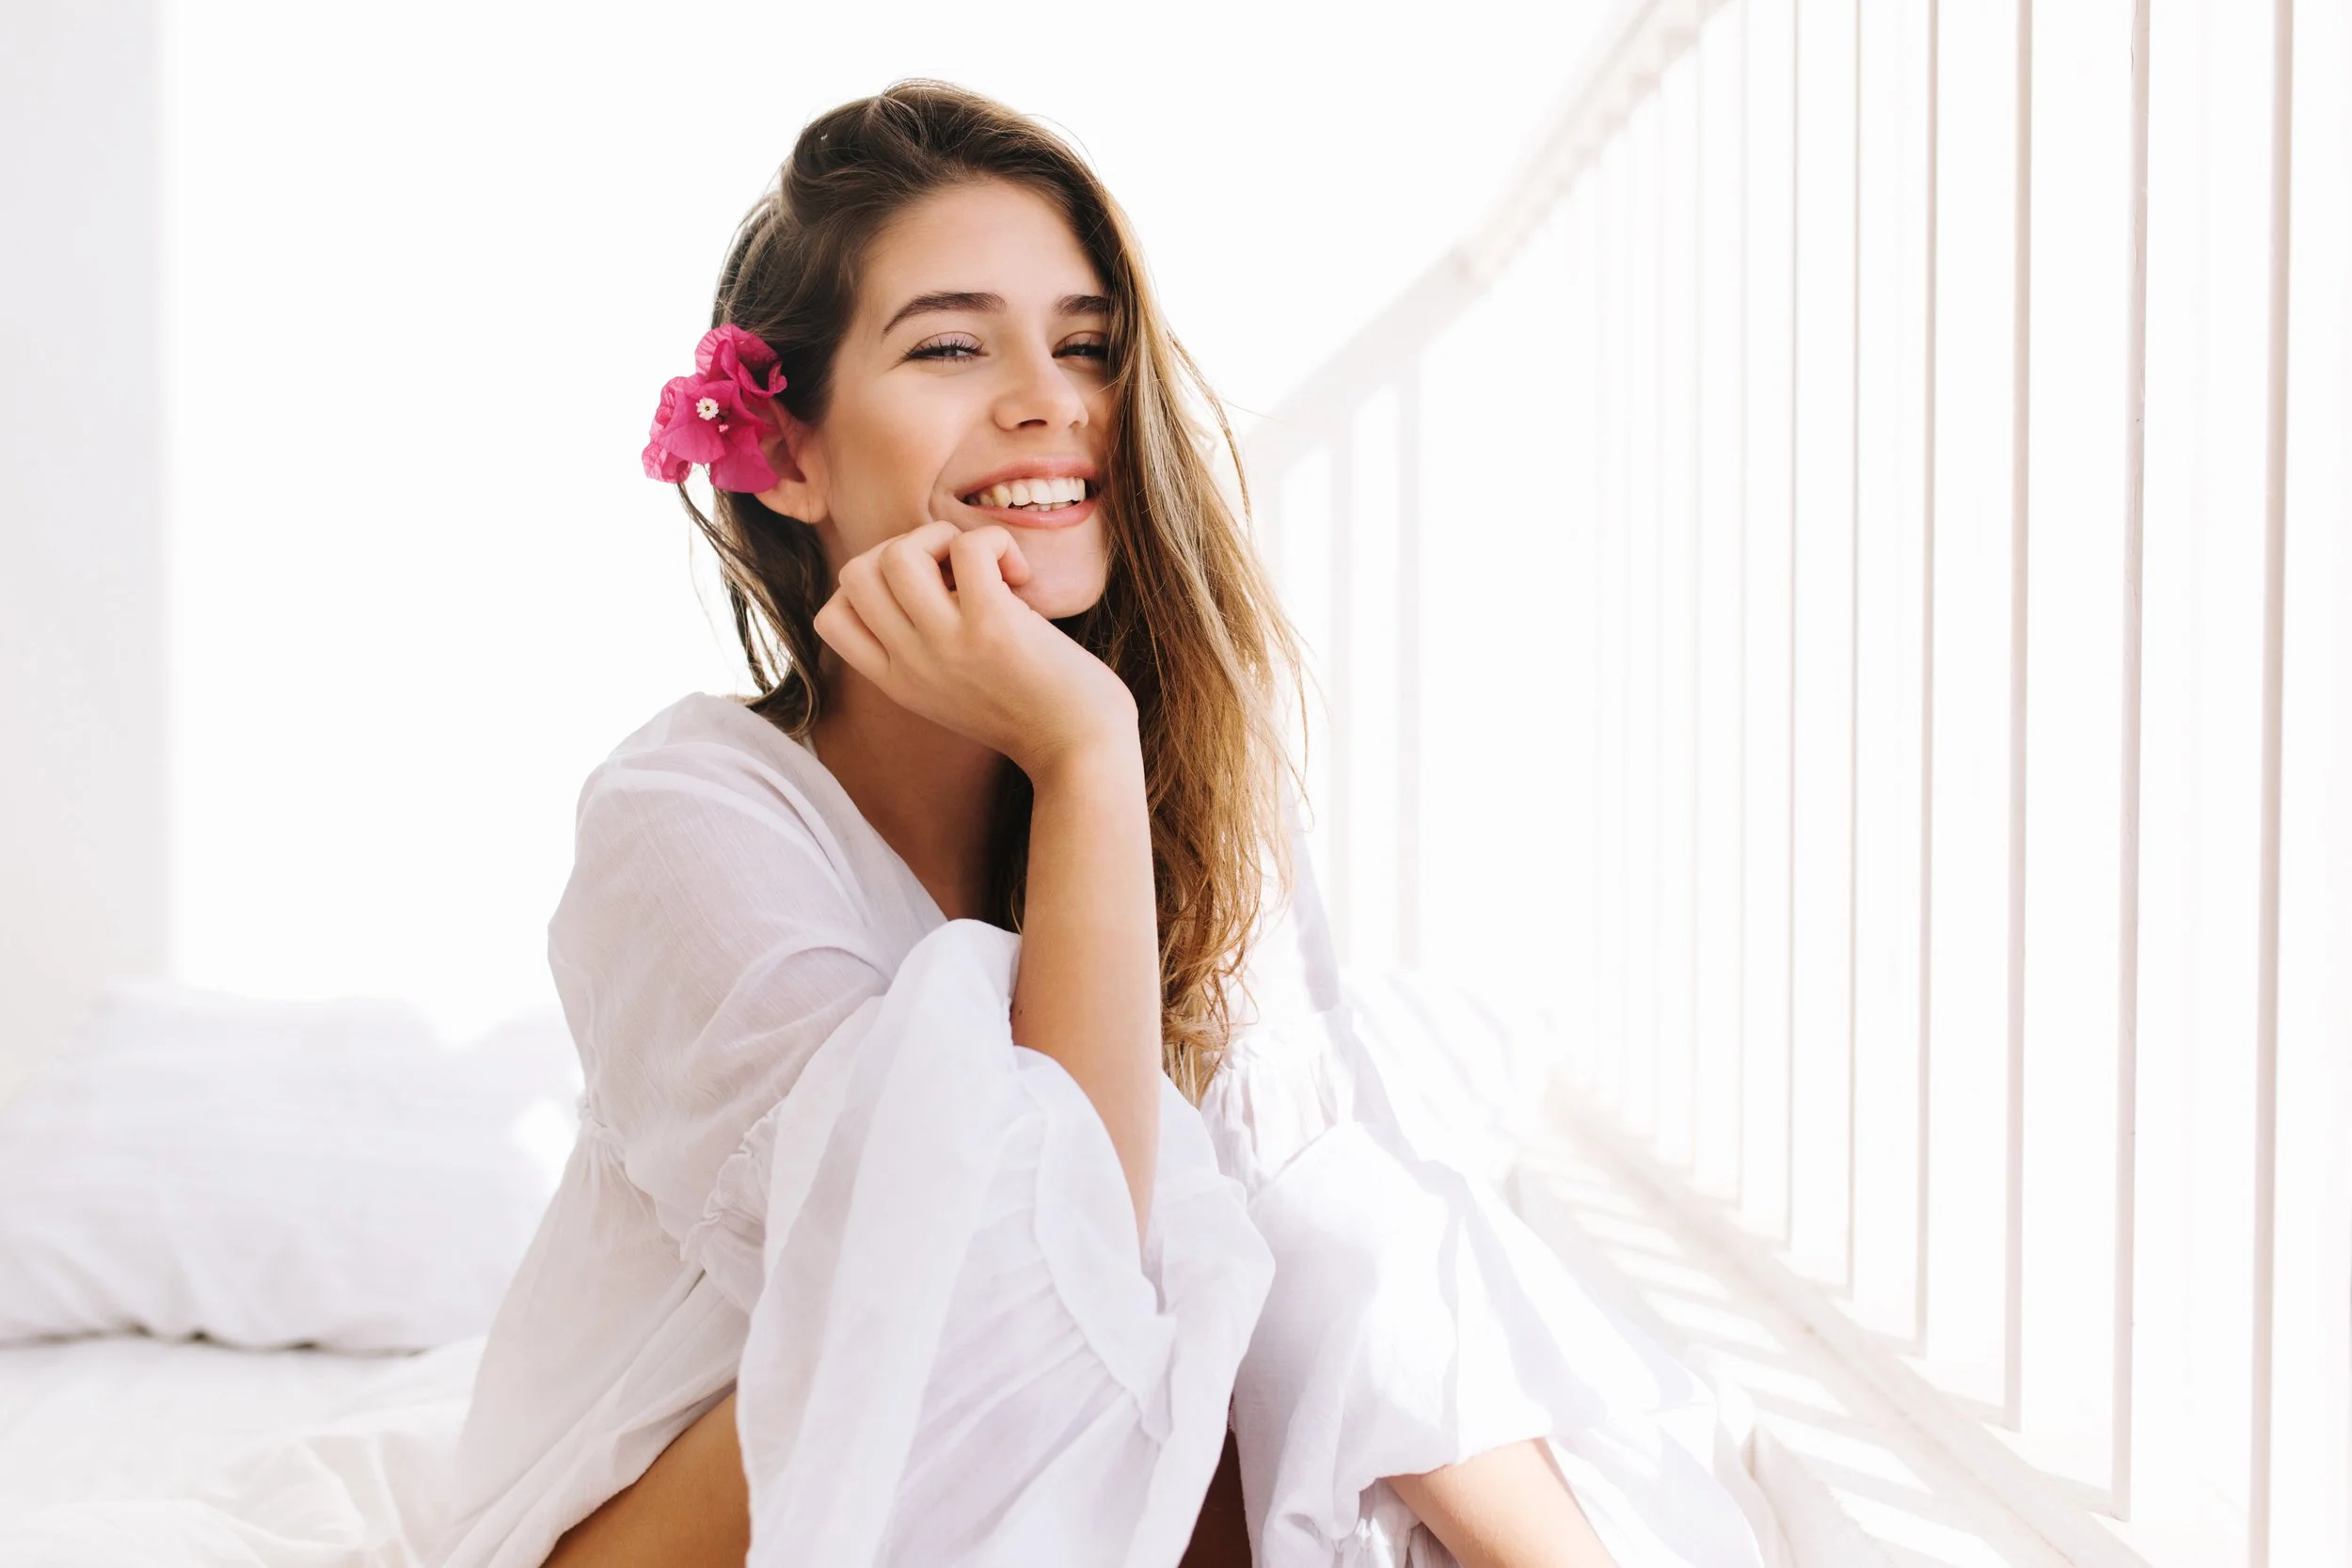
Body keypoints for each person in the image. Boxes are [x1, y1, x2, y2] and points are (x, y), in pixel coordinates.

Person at [432, 80, 1774, 1568]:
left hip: (1037, 1483)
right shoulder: (681, 824)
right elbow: (998, 1308)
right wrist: (1079, 750)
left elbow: (1334, 1250)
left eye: (1086, 344)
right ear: (790, 452)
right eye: (950, 344)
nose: (1050, 398)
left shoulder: (1185, 762)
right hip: (697, 1520)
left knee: (1295, 1229)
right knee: (1057, 1235)